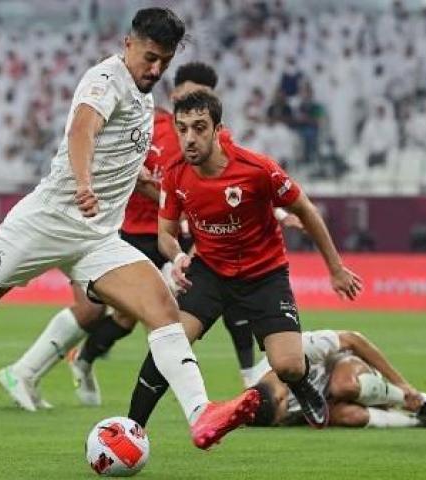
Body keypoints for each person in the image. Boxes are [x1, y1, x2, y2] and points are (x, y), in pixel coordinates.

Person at [0, 8, 260, 450]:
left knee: (161, 308)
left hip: (97, 239)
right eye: (150, 57)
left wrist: (152, 190)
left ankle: (200, 414)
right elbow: (83, 131)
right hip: (48, 221)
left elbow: (119, 161)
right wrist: (82, 182)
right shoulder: (105, 80)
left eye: (165, 61)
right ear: (128, 44)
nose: (156, 69)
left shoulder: (145, 97)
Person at [0, 62, 304, 411]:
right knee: (99, 312)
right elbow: (116, 167)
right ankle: (41, 367)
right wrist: (145, 185)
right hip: (128, 230)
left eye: (203, 98)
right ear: (173, 96)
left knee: (185, 303)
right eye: (187, 97)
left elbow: (236, 184)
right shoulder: (147, 128)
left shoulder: (214, 139)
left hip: (171, 234)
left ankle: (243, 373)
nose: (192, 114)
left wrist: (278, 213)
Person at [127, 90, 362, 429]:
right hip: (209, 271)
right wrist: (178, 255)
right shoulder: (175, 172)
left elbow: (306, 210)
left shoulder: (256, 169)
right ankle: (132, 427)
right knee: (168, 343)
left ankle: (300, 383)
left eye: (199, 128)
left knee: (288, 365)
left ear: (218, 129)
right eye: (182, 129)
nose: (189, 138)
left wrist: (336, 269)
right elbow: (165, 233)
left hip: (264, 275)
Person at [245, 329, 426, 430]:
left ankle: (419, 402)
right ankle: (423, 421)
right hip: (326, 401)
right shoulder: (259, 399)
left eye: (282, 414)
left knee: (344, 386)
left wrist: (399, 382)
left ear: (280, 395)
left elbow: (354, 339)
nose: (284, 419)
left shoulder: (298, 349)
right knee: (350, 417)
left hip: (344, 368)